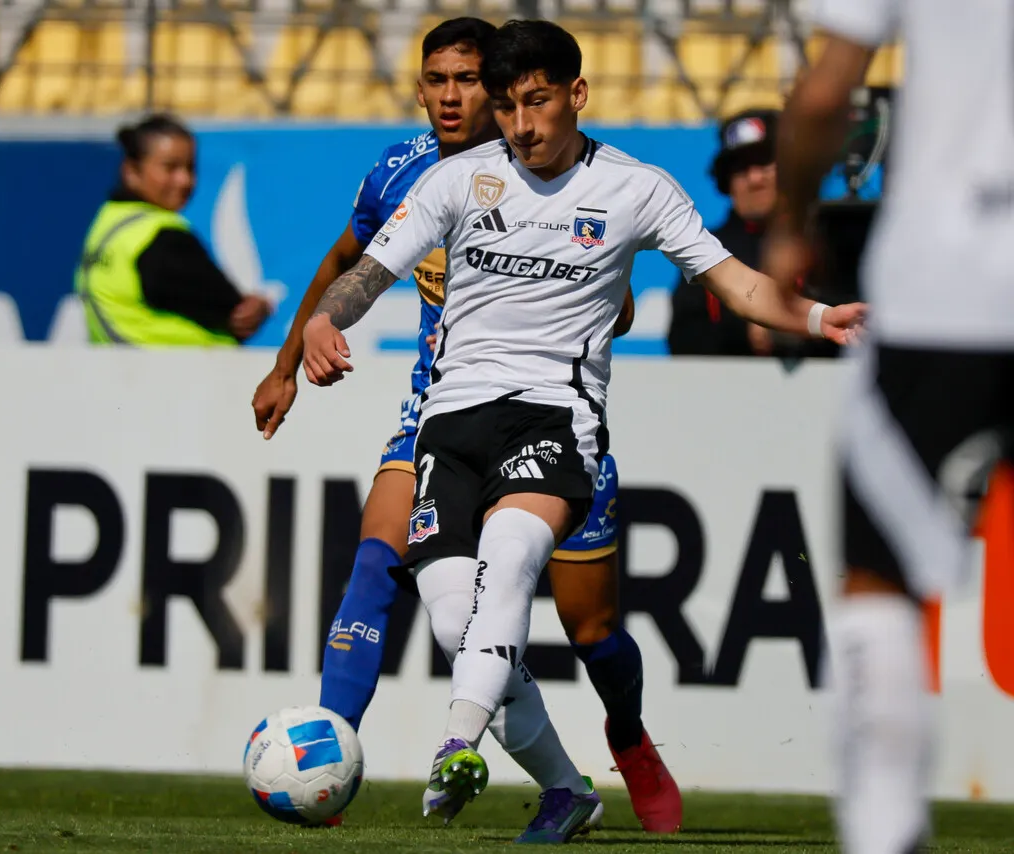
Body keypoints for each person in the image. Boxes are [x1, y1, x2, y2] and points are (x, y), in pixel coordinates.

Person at [301, 16, 864, 827]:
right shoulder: (458, 180)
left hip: (554, 418)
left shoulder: (636, 189)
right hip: (451, 421)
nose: (521, 126)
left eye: (536, 103)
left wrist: (818, 320)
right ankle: (567, 790)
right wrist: (327, 319)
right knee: (456, 614)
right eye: (506, 107)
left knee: (532, 569)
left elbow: (736, 282)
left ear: (577, 94)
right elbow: (370, 269)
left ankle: (459, 745)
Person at [251, 16, 680, 837]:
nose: (452, 98)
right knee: (380, 560)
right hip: (439, 407)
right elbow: (347, 262)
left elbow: (615, 304)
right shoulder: (405, 172)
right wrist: (282, 368)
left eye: (469, 81)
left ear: (504, 89)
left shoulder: (567, 171)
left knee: (590, 630)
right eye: (437, 81)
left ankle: (625, 734)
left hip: (549, 413)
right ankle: (331, 756)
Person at [764, 2, 1014, 852]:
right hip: (944, 291)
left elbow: (828, 91)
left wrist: (793, 223)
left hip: (945, 291)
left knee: (879, 586)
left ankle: (883, 829)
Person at [76, 114, 272, 346]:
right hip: (182, 374)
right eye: (170, 168)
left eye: (190, 167)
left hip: (124, 371)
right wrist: (261, 306)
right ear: (131, 172)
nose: (184, 180)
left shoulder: (106, 221)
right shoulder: (160, 235)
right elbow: (236, 314)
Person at [668, 108, 840, 361]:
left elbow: (857, 329)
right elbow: (683, 342)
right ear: (725, 181)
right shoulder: (702, 245)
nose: (755, 178)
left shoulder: (829, 241)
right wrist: (747, 329)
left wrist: (798, 327)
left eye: (764, 161)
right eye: (741, 168)